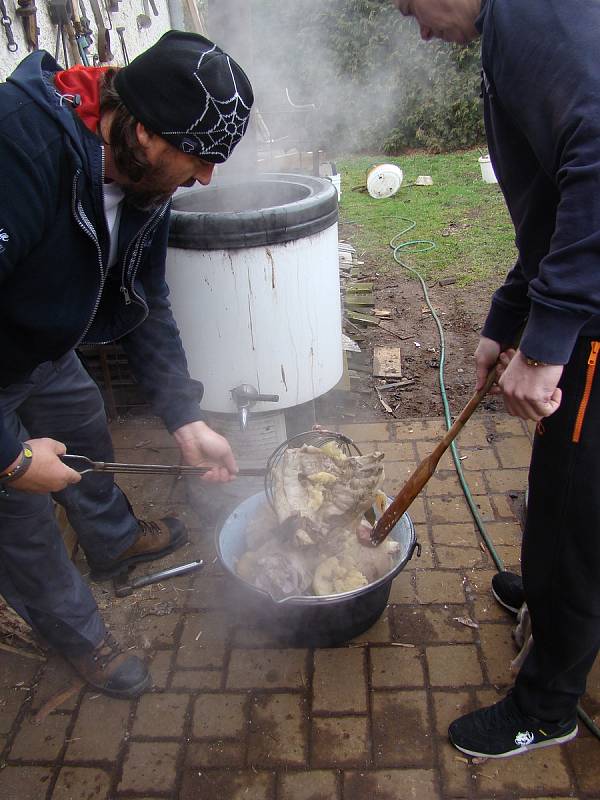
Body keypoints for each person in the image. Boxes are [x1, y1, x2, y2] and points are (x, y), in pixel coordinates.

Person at [0, 31, 254, 697]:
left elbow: (149, 300)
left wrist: (184, 418)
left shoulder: (144, 177)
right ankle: (81, 637)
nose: (206, 178)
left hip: (39, 345)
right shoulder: (17, 149)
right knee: (20, 520)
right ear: (141, 131)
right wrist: (13, 458)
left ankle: (113, 541)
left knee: (82, 421)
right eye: (199, 158)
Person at [393, 0, 600, 758]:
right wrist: (507, 321)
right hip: (581, 315)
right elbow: (549, 204)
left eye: (411, 6)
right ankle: (551, 594)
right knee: (560, 483)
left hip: (595, 326)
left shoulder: (539, 16)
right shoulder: (516, 22)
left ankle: (547, 708)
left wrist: (546, 343)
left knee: (578, 510)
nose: (418, 29)